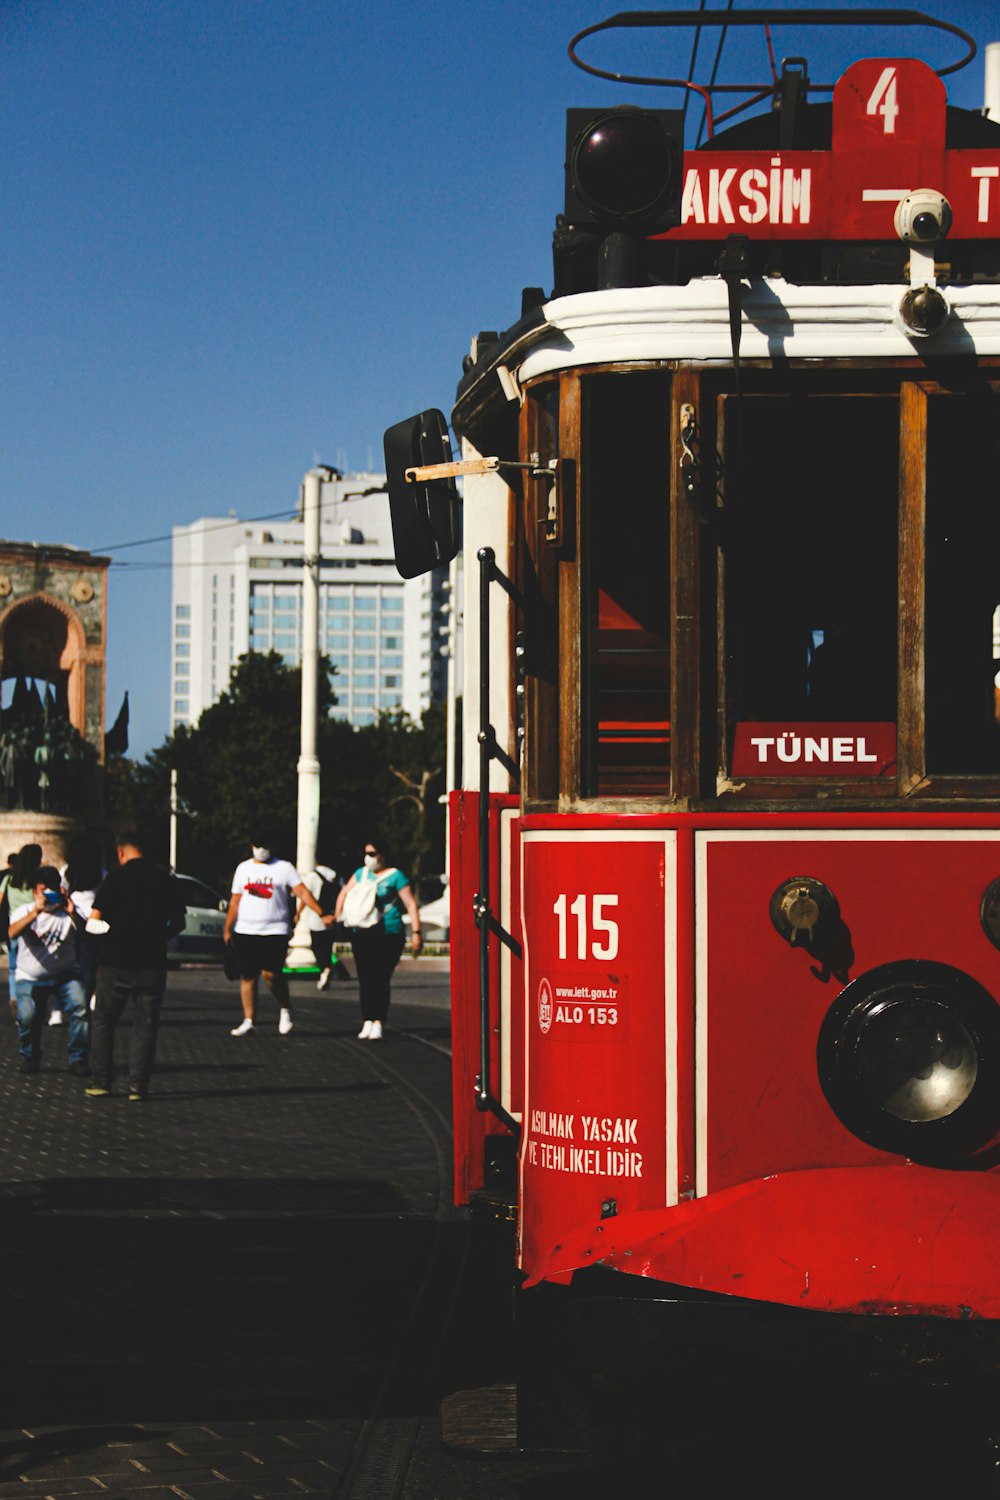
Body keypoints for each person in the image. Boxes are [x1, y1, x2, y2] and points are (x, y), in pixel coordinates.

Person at [85, 829, 186, 1101]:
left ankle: (101, 1081)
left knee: (104, 1021)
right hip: (152, 962)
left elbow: (94, 920)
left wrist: (109, 933)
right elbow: (179, 923)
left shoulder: (115, 878)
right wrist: (156, 937)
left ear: (121, 852)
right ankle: (137, 1086)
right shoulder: (166, 879)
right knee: (146, 1024)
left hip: (115, 960)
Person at [225, 834, 337, 1037]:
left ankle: (286, 1007)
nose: (262, 849)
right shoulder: (243, 869)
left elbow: (302, 892)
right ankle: (249, 1020)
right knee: (248, 976)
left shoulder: (284, 868)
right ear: (251, 845)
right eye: (258, 845)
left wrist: (322, 914)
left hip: (275, 930)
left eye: (265, 845)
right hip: (246, 929)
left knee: (271, 974)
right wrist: (227, 927)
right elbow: (235, 900)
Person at [333, 841, 422, 1041]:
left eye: (372, 853)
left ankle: (379, 1020)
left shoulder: (396, 876)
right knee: (365, 977)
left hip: (389, 933)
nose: (368, 857)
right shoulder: (360, 874)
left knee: (380, 977)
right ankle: (367, 1019)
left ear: (383, 854)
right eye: (366, 853)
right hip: (362, 932)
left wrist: (416, 932)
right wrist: (337, 917)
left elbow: (410, 903)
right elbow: (344, 893)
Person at [7, 864, 90, 1076]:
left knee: (80, 1007)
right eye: (44, 890)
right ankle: (30, 1055)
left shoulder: (67, 912)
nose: (48, 895)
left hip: (65, 973)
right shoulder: (24, 911)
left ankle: (78, 1058)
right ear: (35, 891)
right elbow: (12, 933)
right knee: (27, 1016)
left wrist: (72, 913)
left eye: (52, 890)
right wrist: (36, 911)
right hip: (30, 976)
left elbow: (87, 934)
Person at [62, 833, 107, 1018]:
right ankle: (88, 999)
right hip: (94, 922)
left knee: (66, 967)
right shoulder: (102, 872)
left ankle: (62, 1007)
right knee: (90, 965)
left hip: (71, 922)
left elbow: (61, 892)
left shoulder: (66, 871)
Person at [297, 863, 349, 990]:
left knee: (316, 946)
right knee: (327, 947)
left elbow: (306, 896)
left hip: (316, 918)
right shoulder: (336, 875)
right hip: (333, 917)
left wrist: (298, 912)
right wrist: (336, 914)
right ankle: (327, 969)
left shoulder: (312, 876)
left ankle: (324, 970)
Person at [5, 843, 42, 1021]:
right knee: (32, 967)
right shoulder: (35, 881)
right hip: (32, 927)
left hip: (14, 926)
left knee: (14, 969)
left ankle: (14, 998)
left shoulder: (10, 879)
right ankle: (30, 1003)